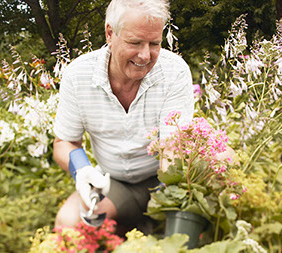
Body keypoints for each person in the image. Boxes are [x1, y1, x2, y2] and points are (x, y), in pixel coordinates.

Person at [53, 0, 194, 233]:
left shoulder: (174, 72)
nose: (145, 55)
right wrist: (82, 170)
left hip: (161, 179)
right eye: (135, 42)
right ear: (110, 33)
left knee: (183, 231)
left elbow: (172, 149)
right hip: (113, 183)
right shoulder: (77, 76)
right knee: (69, 223)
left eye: (155, 43)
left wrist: (169, 204)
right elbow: (64, 142)